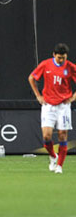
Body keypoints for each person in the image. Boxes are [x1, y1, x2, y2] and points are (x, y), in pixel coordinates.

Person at [28, 43, 76, 174]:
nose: (62, 60)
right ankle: (53, 156)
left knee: (62, 135)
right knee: (47, 136)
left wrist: (72, 98)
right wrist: (38, 96)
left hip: (63, 106)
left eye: (64, 58)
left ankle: (59, 166)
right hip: (48, 105)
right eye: (59, 57)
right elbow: (31, 77)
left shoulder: (70, 67)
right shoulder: (45, 64)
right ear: (54, 55)